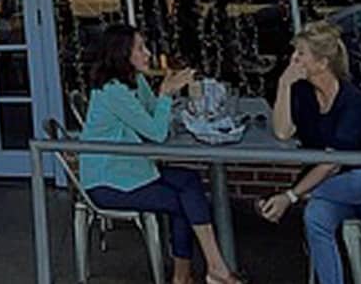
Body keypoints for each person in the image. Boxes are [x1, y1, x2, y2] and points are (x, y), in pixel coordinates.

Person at [80, 24, 241, 284]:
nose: (148, 54)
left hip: (134, 169)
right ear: (122, 54)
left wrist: (167, 92)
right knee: (183, 205)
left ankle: (207, 269)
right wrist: (166, 93)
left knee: (190, 181)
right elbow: (156, 133)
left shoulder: (135, 80)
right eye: (140, 48)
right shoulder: (113, 91)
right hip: (109, 180)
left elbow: (154, 114)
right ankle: (199, 272)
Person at [258, 21, 361, 284]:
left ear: (322, 63)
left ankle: (304, 194)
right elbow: (283, 131)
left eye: (301, 54)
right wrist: (284, 85)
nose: (293, 59)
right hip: (336, 189)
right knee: (316, 215)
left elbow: (332, 162)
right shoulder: (304, 93)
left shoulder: (352, 103)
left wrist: (290, 196)